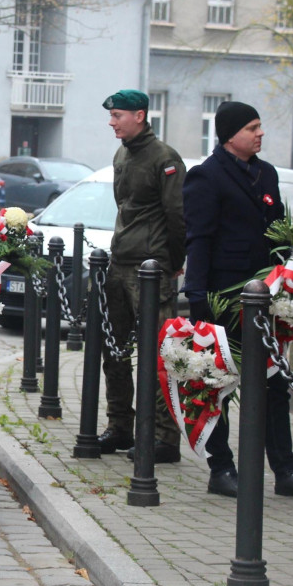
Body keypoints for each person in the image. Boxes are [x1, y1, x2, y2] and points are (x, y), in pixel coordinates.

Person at [182, 101, 293, 500]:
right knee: (220, 384)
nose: (260, 134)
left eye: (260, 127)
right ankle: (221, 467)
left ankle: (286, 471)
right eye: (253, 128)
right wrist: (198, 299)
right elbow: (199, 240)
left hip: (265, 299)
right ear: (230, 135)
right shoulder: (205, 177)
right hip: (222, 297)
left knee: (275, 385)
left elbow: (278, 232)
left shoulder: (266, 174)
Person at [98, 89, 187, 462]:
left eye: (118, 115)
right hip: (120, 262)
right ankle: (120, 427)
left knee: (158, 354)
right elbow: (125, 208)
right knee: (113, 350)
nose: (112, 122)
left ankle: (164, 439)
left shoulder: (164, 158)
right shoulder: (122, 154)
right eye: (111, 115)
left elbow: (177, 215)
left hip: (151, 269)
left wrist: (173, 262)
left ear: (140, 115)